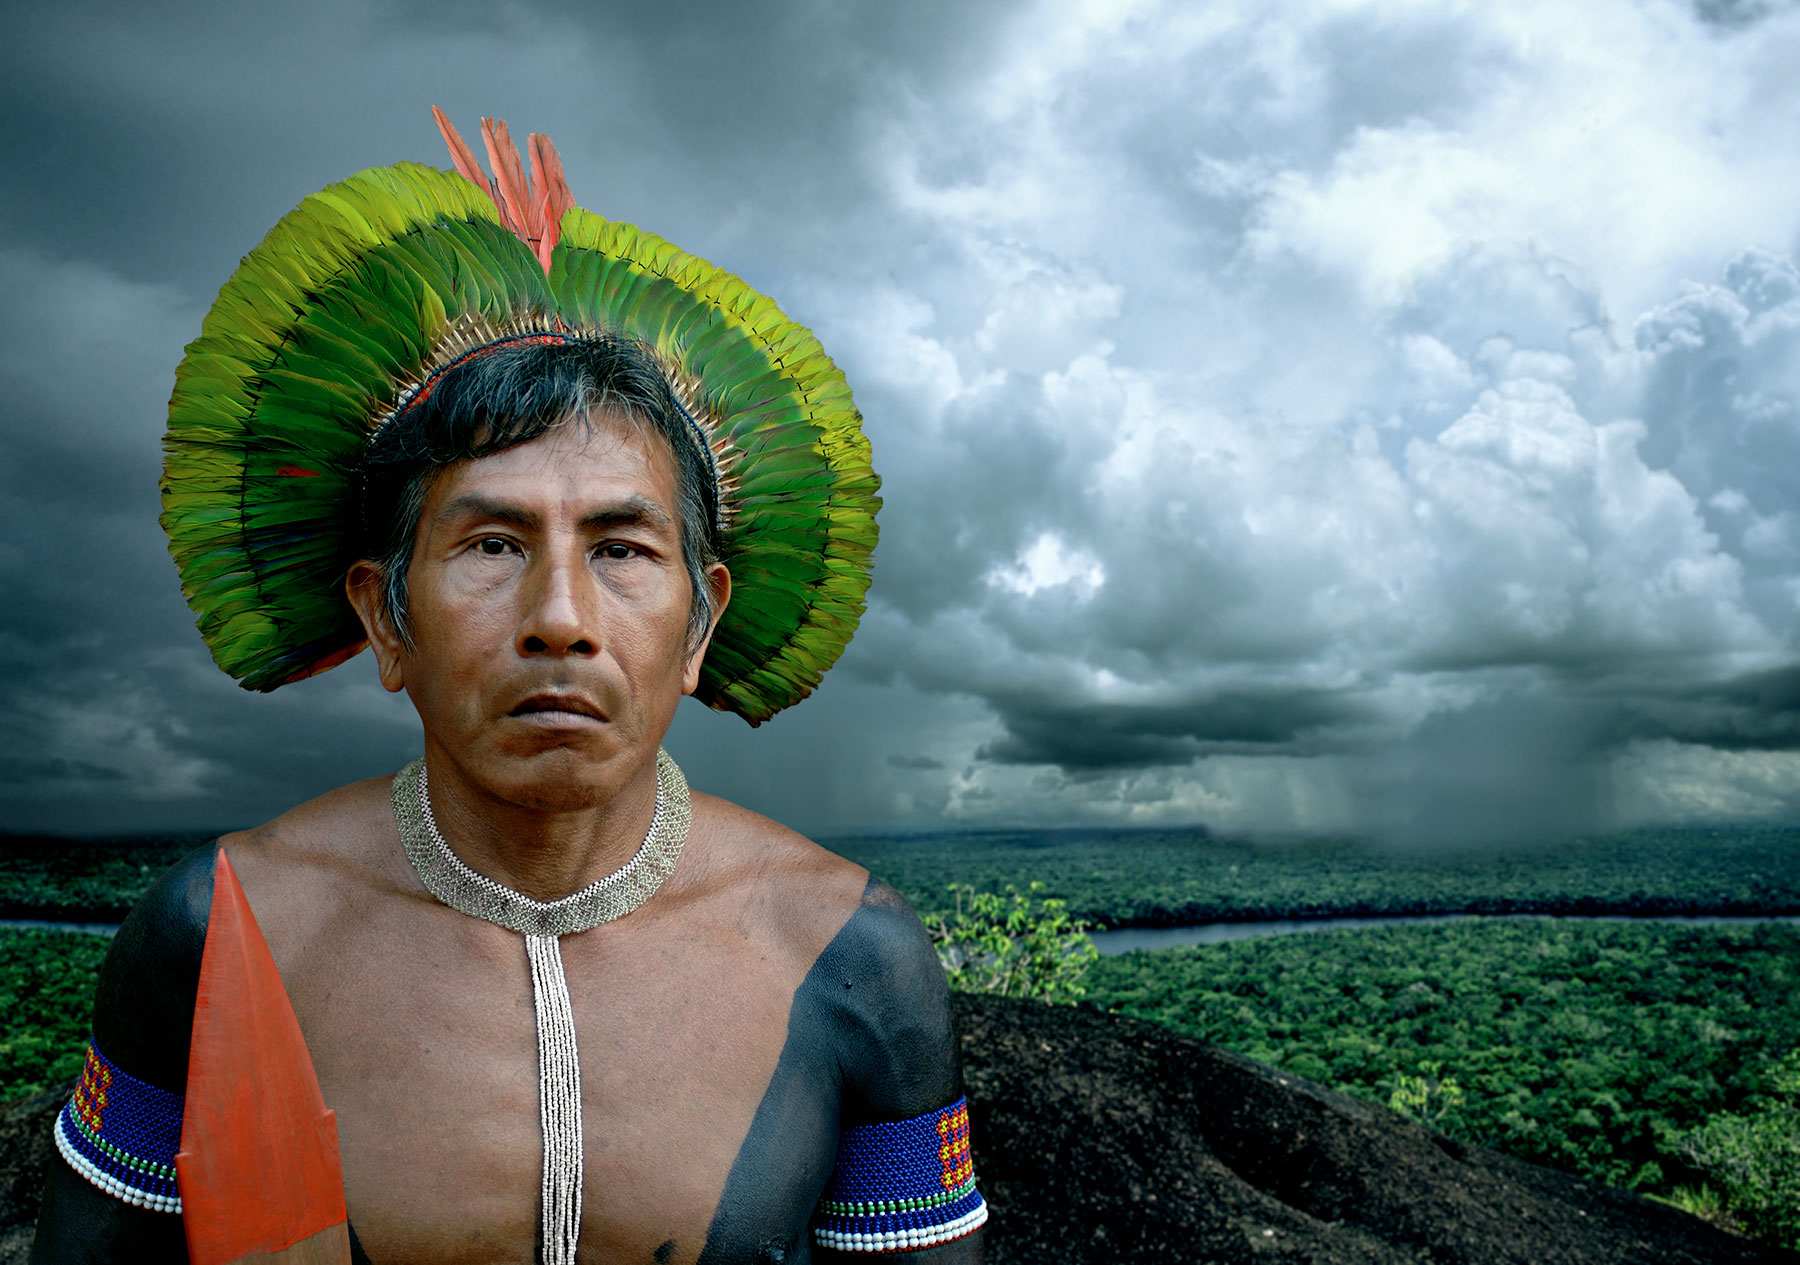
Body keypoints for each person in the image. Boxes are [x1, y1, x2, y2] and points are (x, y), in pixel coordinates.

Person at [32, 113, 985, 1264]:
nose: (561, 619)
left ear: (704, 622)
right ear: (386, 616)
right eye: (491, 544)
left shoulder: (848, 952)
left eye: (623, 548)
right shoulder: (216, 931)